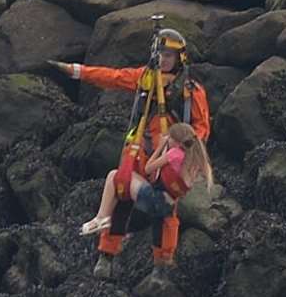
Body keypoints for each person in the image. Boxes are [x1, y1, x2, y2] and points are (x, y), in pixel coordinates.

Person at [49, 28, 211, 278]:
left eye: (169, 55)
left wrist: (185, 149)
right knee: (121, 195)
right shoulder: (145, 77)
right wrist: (77, 71)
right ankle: (106, 255)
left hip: (170, 157)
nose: (164, 59)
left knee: (167, 212)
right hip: (139, 149)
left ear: (180, 58)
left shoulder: (192, 91)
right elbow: (113, 77)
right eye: (160, 54)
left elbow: (202, 128)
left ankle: (163, 263)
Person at [83, 123, 213, 277]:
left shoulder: (174, 153)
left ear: (175, 140)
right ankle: (159, 264)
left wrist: (163, 145)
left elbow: (149, 168)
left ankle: (101, 218)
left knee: (117, 179)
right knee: (158, 219)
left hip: (155, 191)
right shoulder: (194, 160)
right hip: (165, 196)